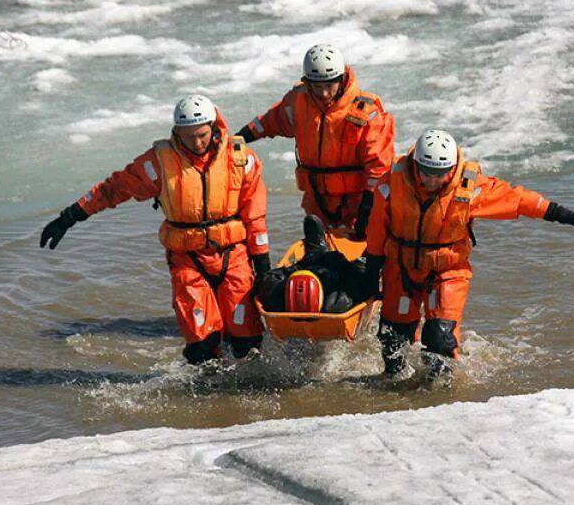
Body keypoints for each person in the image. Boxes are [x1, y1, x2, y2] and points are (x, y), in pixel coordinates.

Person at [39, 95, 271, 365]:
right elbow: (114, 189)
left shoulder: (240, 159)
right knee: (202, 346)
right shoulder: (159, 163)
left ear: (214, 126)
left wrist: (263, 267)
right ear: (176, 133)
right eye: (188, 137)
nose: (196, 143)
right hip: (188, 260)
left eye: (202, 135)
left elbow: (255, 216)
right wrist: (68, 217)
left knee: (248, 343)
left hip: (234, 256)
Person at [363, 129, 574, 379]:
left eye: (441, 174)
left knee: (440, 338)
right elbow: (378, 226)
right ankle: (395, 391)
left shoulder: (470, 187)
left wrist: (563, 214)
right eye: (427, 173)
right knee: (392, 340)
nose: (433, 180)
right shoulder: (392, 182)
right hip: (401, 268)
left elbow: (516, 200)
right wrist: (371, 270)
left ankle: (438, 393)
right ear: (416, 164)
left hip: (447, 270)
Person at [236, 44, 395, 239]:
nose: (324, 93)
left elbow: (379, 167)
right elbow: (269, 122)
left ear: (341, 79)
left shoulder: (366, 113)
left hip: (357, 203)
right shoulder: (297, 102)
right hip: (317, 201)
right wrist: (238, 139)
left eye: (329, 86)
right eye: (317, 87)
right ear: (307, 82)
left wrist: (368, 209)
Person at [258, 215, 373, 314]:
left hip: (310, 268)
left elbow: (267, 279)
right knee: (359, 269)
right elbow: (362, 285)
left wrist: (295, 267)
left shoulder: (276, 298)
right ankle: (318, 252)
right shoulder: (336, 304)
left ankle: (317, 251)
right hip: (333, 275)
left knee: (312, 224)